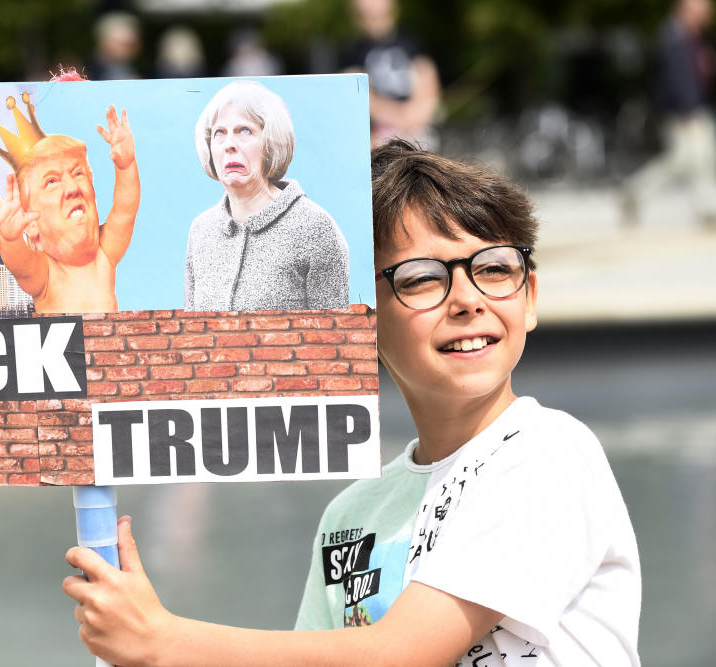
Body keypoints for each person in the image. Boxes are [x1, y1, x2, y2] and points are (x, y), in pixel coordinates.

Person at [62, 139, 642, 666]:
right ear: (359, 317)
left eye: (494, 269)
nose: (468, 299)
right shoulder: (351, 515)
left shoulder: (550, 455)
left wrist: (164, 641)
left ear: (530, 296)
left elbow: (398, 654)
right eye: (420, 278)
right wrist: (129, 643)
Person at [185, 80, 349, 311]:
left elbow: (336, 338)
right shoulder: (201, 230)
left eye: (244, 131)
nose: (229, 144)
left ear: (271, 142)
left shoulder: (315, 227)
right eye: (219, 133)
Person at [0, 92, 140, 313]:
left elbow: (125, 210)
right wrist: (10, 238)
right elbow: (19, 264)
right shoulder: (45, 273)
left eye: (78, 174)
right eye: (52, 181)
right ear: (32, 225)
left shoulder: (104, 254)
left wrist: (125, 166)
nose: (72, 188)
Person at [622, 0, 716, 225]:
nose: (707, 14)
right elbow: (677, 80)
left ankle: (634, 192)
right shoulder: (674, 38)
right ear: (686, 9)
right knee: (698, 157)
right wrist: (689, 110)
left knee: (687, 159)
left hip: (689, 108)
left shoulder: (689, 37)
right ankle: (707, 209)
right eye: (702, 10)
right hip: (684, 111)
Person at [342, 0, 441, 148]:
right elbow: (357, 92)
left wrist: (414, 115)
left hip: (416, 129)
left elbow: (427, 79)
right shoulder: (353, 51)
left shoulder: (411, 42)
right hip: (376, 133)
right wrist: (394, 116)